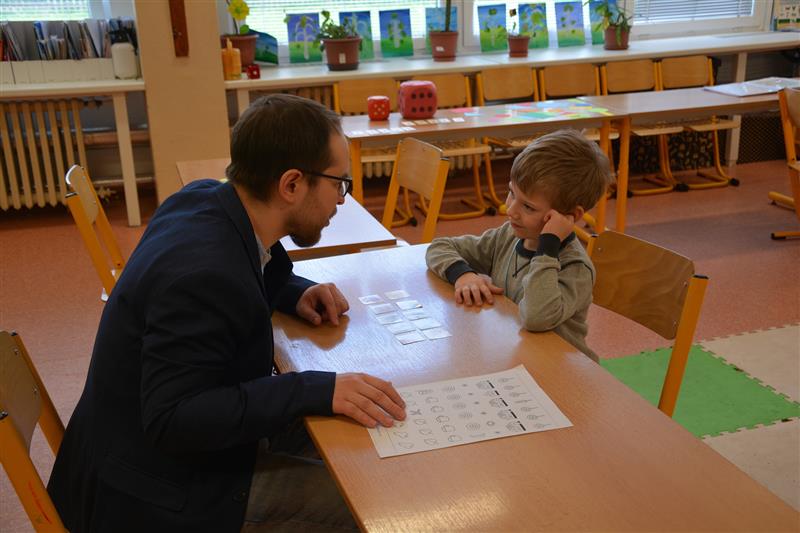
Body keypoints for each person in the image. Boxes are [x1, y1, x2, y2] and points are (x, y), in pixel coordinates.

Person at [48, 94, 406, 532]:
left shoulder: (203, 199)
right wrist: (312, 388)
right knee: (369, 500)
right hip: (154, 492)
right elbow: (174, 419)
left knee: (354, 436)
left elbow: (247, 264)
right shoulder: (205, 276)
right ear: (291, 184)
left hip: (135, 451)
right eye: (339, 184)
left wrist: (293, 292)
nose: (342, 200)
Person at [426, 129, 612, 362]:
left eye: (529, 207)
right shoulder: (508, 237)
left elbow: (536, 316)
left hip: (560, 370)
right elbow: (439, 247)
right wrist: (463, 275)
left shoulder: (575, 267)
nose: (510, 210)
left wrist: (547, 247)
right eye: (511, 193)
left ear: (569, 216)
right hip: (516, 357)